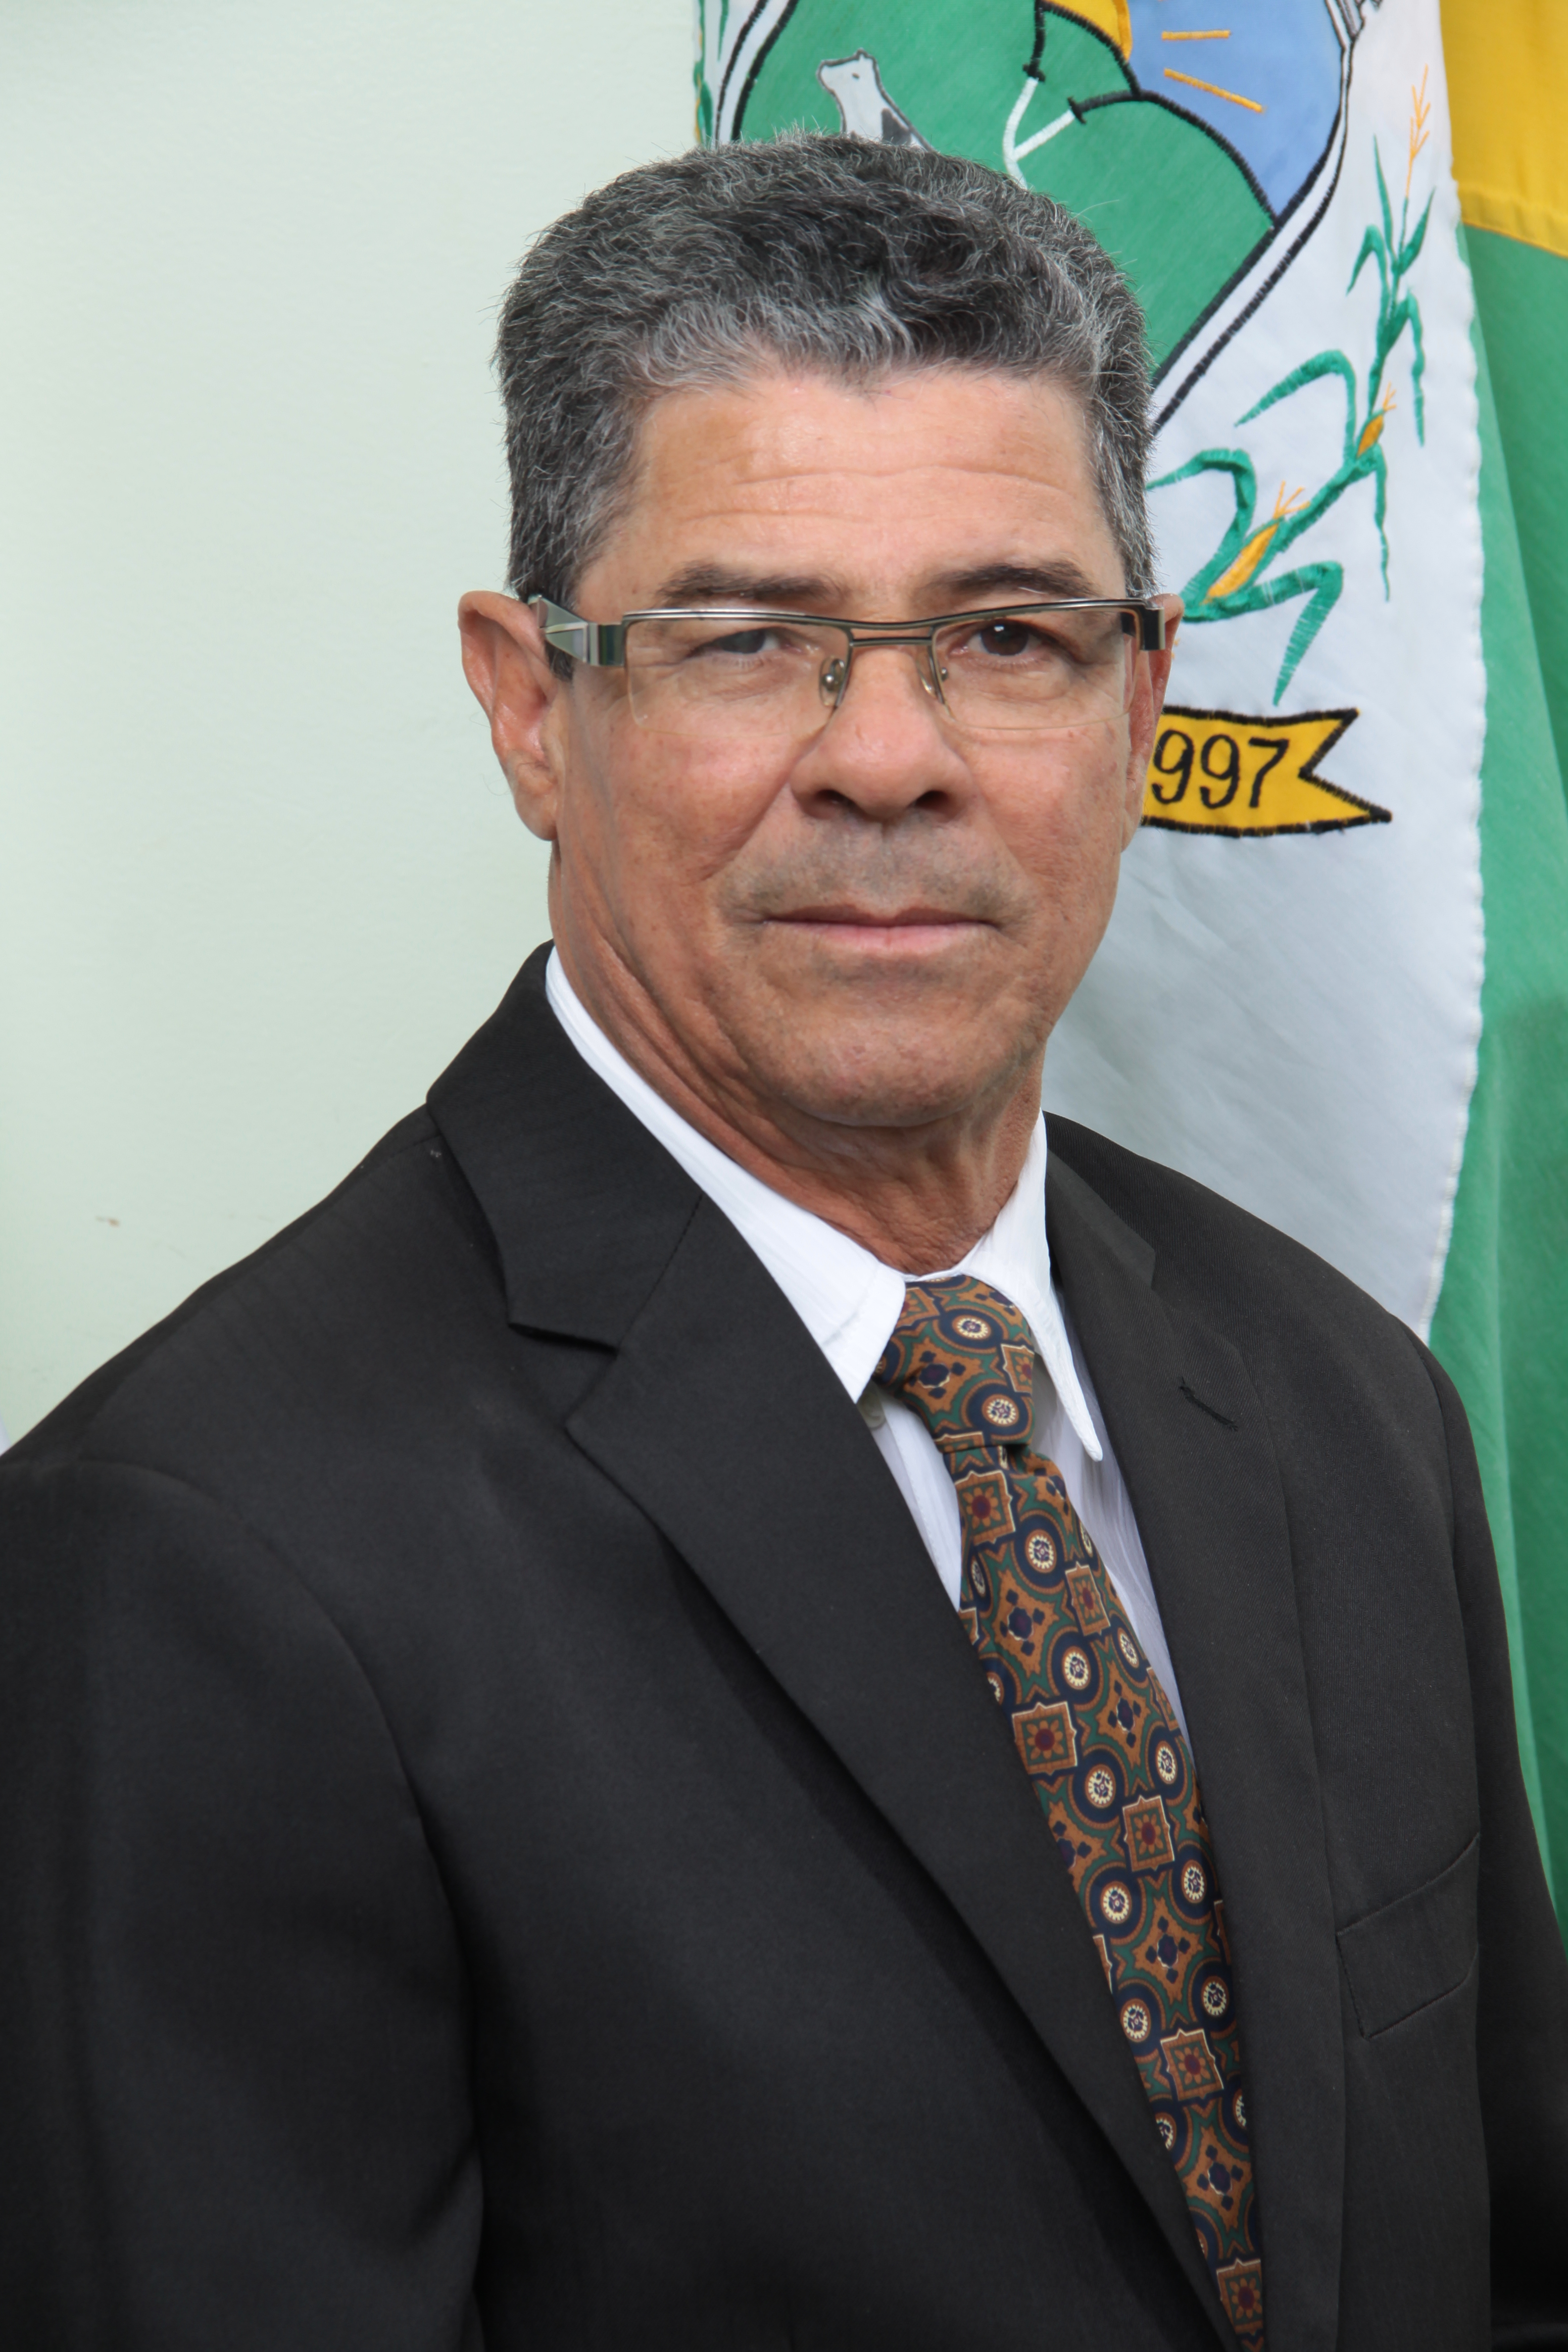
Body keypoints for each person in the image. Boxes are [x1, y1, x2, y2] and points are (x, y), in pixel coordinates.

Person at [1, 133, 1565, 2352]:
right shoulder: (198, 1555)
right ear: (532, 706)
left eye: (1007, 635)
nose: (892, 759)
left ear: (1140, 704)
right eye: (751, 642)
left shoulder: (1339, 1391)